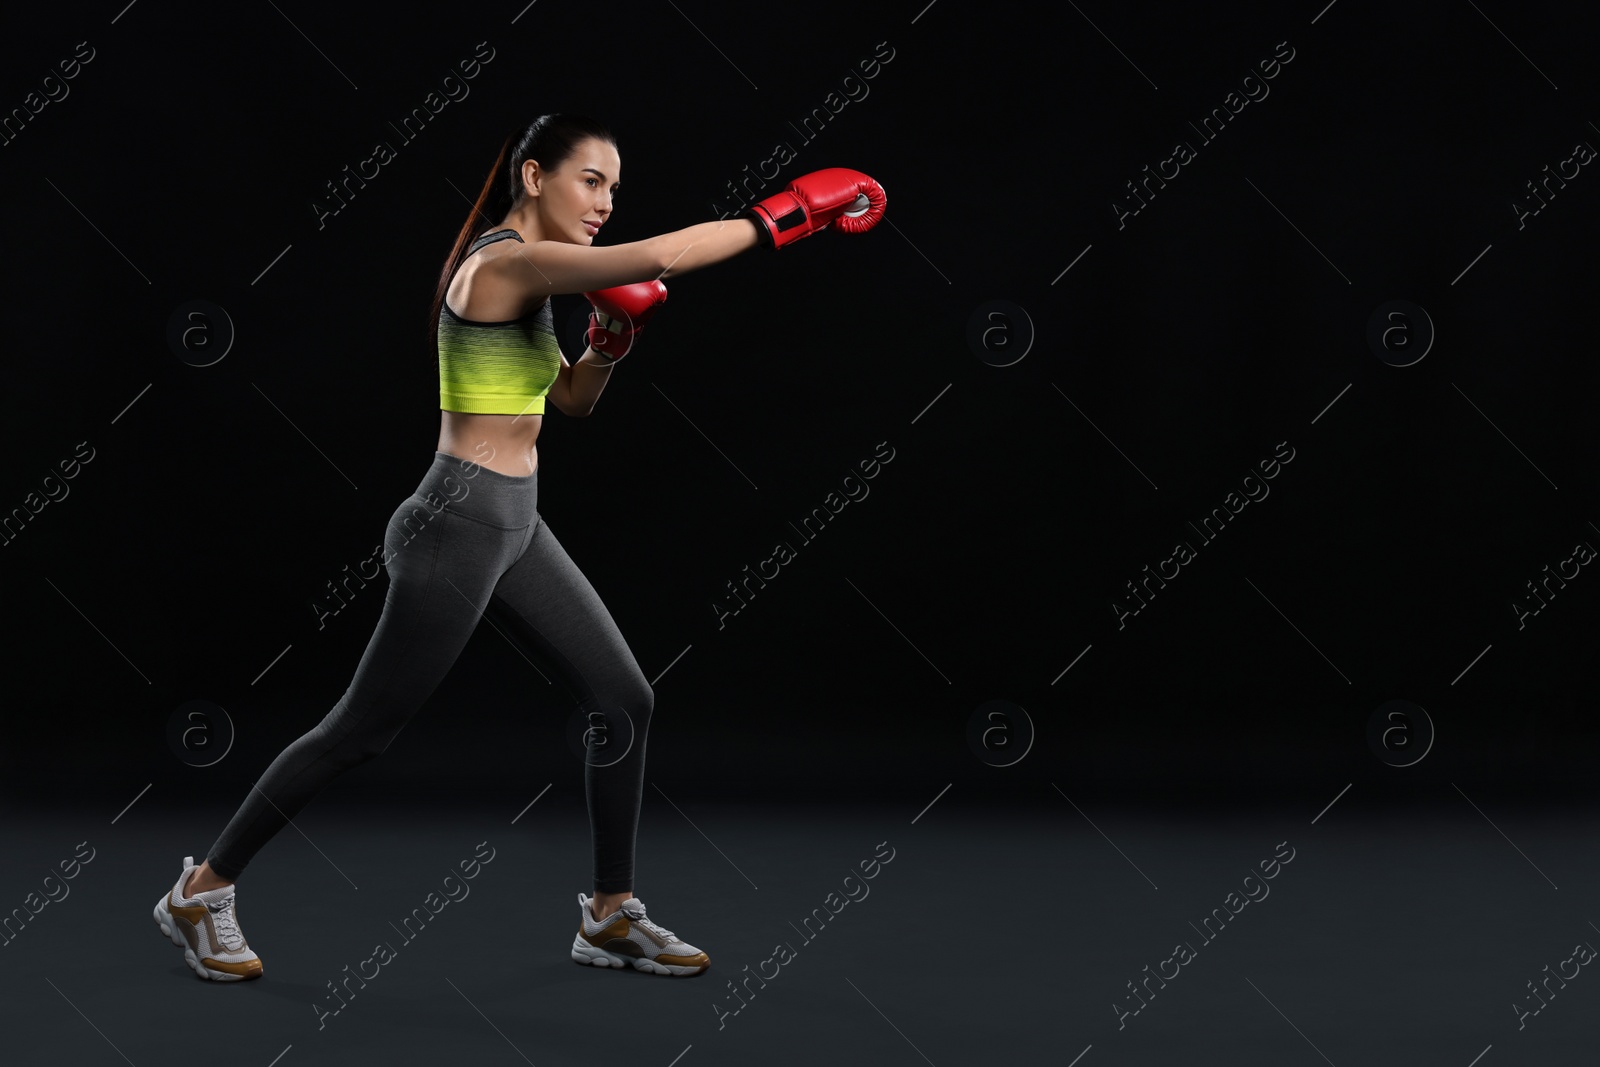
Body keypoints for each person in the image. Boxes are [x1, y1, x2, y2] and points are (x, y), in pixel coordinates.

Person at [151, 113, 886, 981]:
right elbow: (655, 258)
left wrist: (605, 350)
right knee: (361, 731)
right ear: (534, 175)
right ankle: (201, 889)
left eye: (616, 187)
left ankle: (610, 916)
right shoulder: (504, 265)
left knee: (624, 698)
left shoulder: (537, 287)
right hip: (454, 526)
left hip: (517, 522)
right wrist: (787, 212)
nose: (606, 202)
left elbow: (567, 404)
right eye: (591, 180)